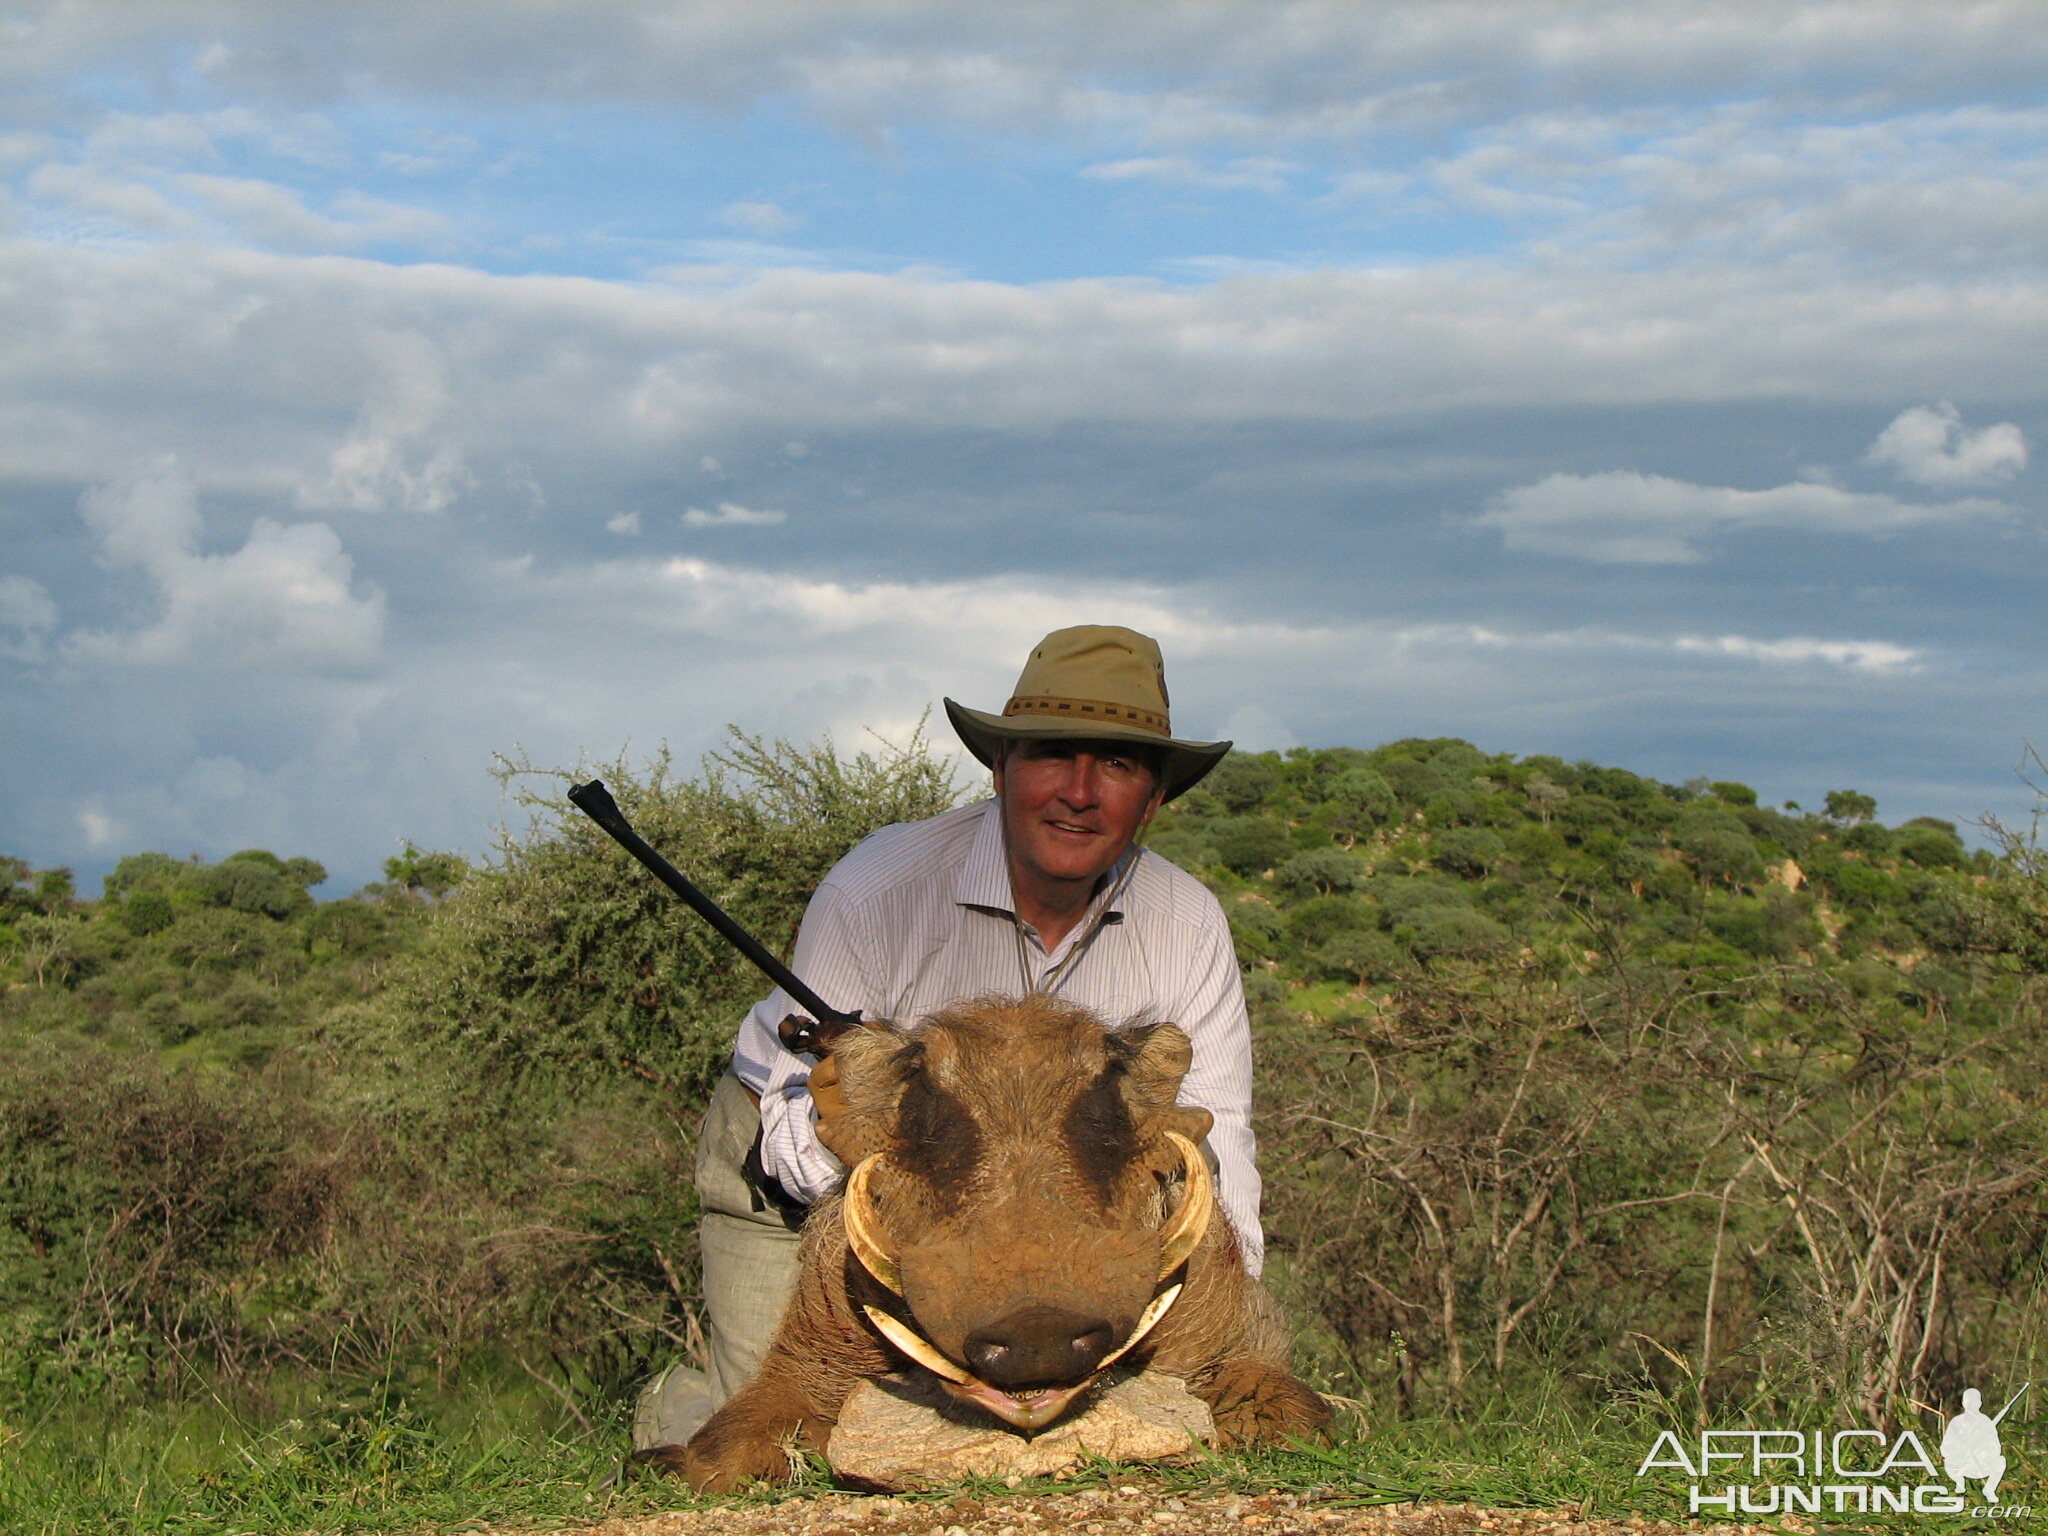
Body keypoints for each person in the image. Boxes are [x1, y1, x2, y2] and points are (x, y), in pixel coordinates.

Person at [634, 624, 1258, 1450]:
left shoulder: (1187, 921)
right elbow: (797, 1126)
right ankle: (666, 1424)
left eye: (1117, 764)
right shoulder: (877, 889)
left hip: (1043, 1185)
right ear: (998, 769)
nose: (1079, 791)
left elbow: (1220, 1139)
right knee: (778, 1426)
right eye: (1049, 755)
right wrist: (872, 1144)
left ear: (1153, 800)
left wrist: (1228, 1322)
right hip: (798, 1176)